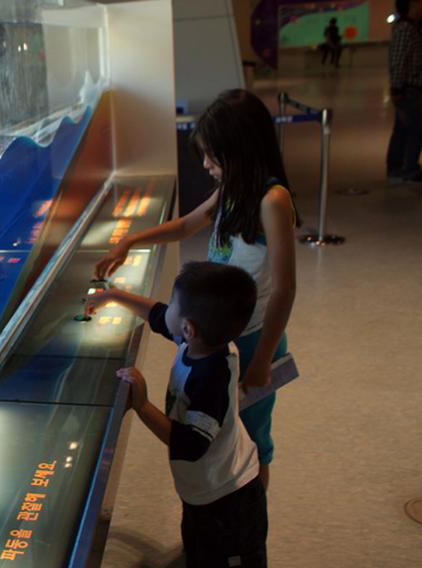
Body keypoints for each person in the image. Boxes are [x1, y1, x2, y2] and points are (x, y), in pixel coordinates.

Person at [95, 89, 297, 491]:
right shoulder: (232, 189)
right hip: (214, 330)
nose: (206, 165)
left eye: (212, 156)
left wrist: (261, 361)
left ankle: (248, 522)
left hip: (254, 336)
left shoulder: (272, 200)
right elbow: (187, 224)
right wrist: (132, 240)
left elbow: (284, 289)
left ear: (239, 149)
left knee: (252, 436)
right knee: (212, 424)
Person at [86, 261, 266, 567]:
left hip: (227, 495)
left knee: (228, 557)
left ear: (188, 328)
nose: (166, 308)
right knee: (198, 549)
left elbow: (191, 444)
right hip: (204, 487)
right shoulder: (202, 342)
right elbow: (159, 316)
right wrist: (114, 296)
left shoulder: (211, 376)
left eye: (175, 305)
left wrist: (142, 407)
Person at [386, 0, 422, 182]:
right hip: (408, 89)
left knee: (403, 128)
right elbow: (399, 60)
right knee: (414, 129)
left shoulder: (411, 28)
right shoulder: (405, 29)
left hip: (409, 88)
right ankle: (407, 168)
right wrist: (397, 88)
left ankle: (397, 168)